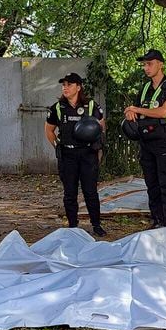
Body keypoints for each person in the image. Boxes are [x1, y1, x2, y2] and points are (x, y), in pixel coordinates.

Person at [124, 49, 166, 228]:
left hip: (164, 141)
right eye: (144, 64)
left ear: (160, 64)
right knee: (151, 183)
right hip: (146, 141)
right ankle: (156, 220)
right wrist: (129, 113)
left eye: (150, 63)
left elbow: (164, 111)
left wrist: (136, 109)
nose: (146, 68)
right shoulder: (145, 88)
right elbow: (134, 110)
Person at [45, 72, 107, 237]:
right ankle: (73, 226)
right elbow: (49, 130)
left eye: (69, 84)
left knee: (90, 191)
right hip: (68, 155)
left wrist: (98, 146)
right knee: (70, 192)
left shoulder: (91, 106)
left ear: (78, 87)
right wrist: (58, 146)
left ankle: (96, 225)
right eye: (63, 85)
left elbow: (101, 126)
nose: (65, 88)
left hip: (87, 154)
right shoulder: (57, 108)